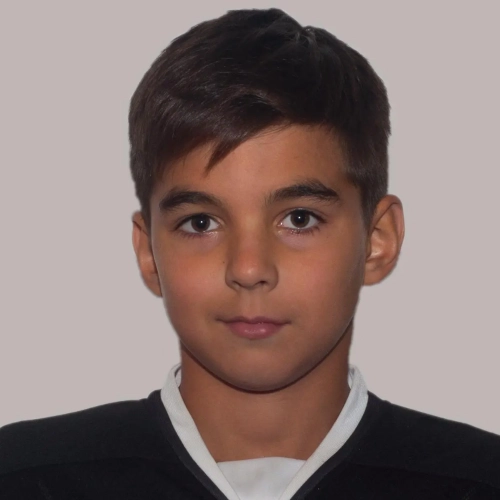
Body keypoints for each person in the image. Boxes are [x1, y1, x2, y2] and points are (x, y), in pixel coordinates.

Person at [0, 7, 499, 500]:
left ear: (378, 240)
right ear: (149, 252)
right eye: (201, 223)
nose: (249, 268)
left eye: (299, 219)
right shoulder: (24, 478)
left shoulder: (478, 480)